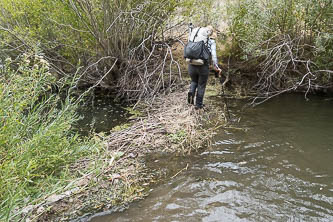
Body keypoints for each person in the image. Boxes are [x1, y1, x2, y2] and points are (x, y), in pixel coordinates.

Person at [187, 25, 222, 109]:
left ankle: (190, 101)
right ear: (210, 33)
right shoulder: (211, 41)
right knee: (201, 85)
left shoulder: (193, 39)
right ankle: (198, 105)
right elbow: (213, 56)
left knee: (194, 81)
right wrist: (216, 67)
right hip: (203, 66)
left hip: (191, 64)